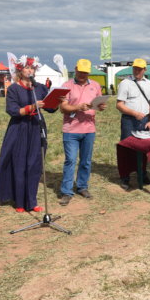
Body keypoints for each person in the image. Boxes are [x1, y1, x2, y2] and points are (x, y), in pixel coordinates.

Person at [0, 56, 55, 212]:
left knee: (34, 165)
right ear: (20, 71)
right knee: (19, 164)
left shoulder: (40, 88)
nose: (30, 70)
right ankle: (20, 202)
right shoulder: (14, 89)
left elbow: (51, 109)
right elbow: (12, 110)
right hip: (19, 128)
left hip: (36, 127)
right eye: (27, 68)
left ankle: (32, 201)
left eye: (32, 68)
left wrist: (58, 100)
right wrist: (32, 106)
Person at [58, 59, 106, 206]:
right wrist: (78, 107)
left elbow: (99, 103)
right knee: (71, 160)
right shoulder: (66, 86)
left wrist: (101, 106)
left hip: (89, 129)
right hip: (71, 129)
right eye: (80, 72)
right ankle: (66, 191)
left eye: (85, 72)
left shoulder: (96, 86)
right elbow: (62, 108)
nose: (82, 75)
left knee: (85, 161)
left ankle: (82, 187)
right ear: (75, 69)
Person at [116, 58, 150, 185]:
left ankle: (142, 174)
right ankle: (125, 177)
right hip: (129, 120)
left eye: (139, 69)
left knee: (143, 149)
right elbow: (119, 105)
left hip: (145, 120)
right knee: (126, 149)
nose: (137, 71)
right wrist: (134, 113)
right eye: (135, 68)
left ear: (145, 69)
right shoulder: (125, 83)